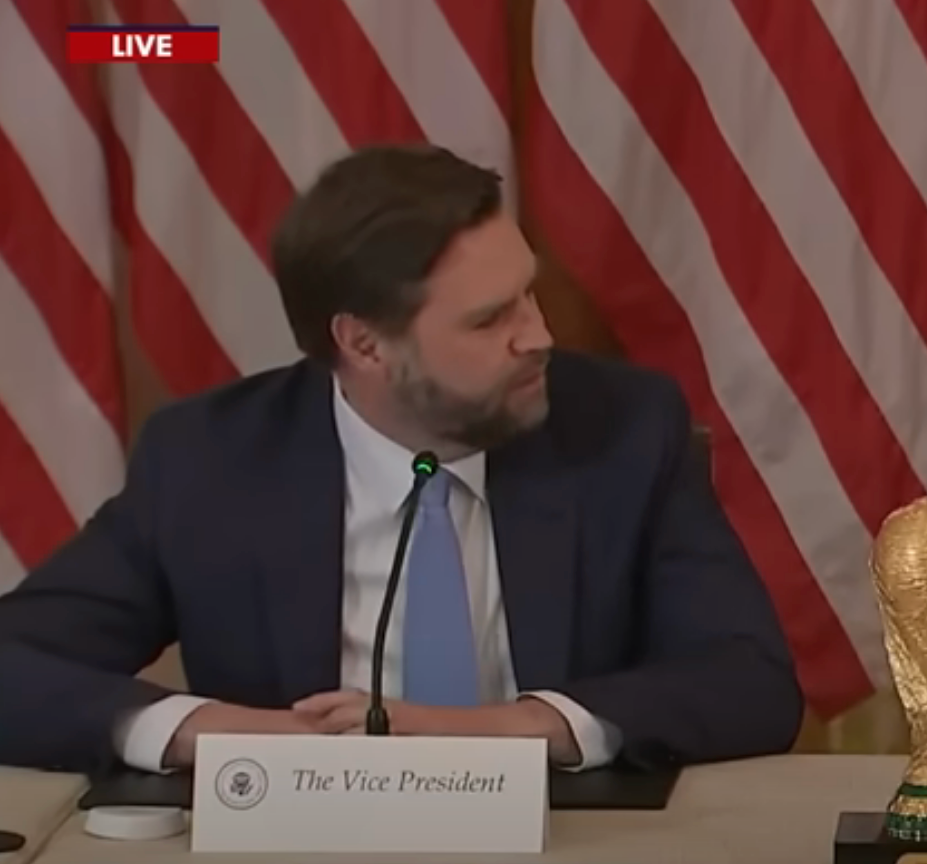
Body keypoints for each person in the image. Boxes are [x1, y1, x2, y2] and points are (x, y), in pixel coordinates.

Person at [0, 144, 804, 775]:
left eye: (528, 294)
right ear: (363, 344)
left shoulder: (624, 429)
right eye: (489, 320)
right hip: (297, 860)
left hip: (559, 857)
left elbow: (750, 682)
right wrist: (209, 731)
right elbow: (16, 664)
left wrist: (517, 727)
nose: (539, 336)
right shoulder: (211, 461)